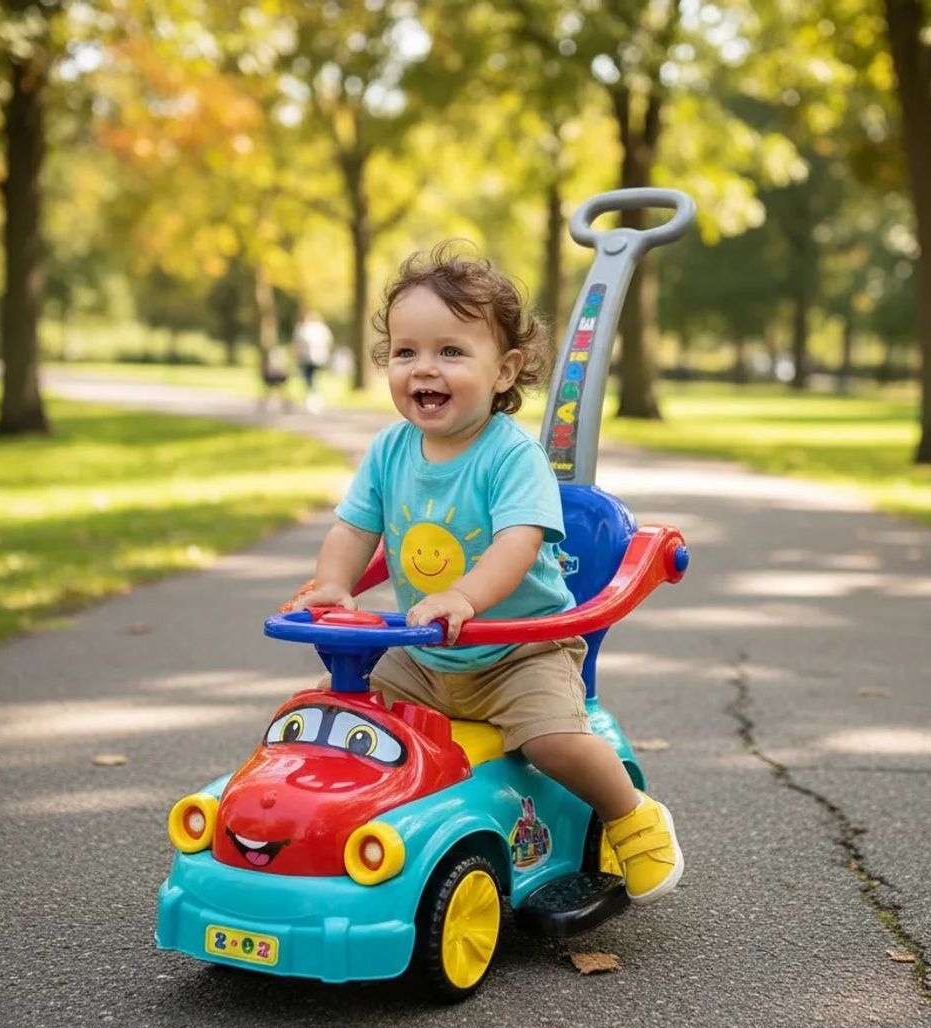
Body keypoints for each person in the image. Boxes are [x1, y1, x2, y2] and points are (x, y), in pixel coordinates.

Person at [289, 243, 683, 904]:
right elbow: (355, 530)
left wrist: (464, 595)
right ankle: (357, 834)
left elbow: (518, 543)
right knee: (347, 716)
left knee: (553, 742)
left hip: (520, 650)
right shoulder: (389, 450)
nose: (425, 369)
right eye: (407, 352)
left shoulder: (512, 457)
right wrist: (333, 584)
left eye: (450, 352)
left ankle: (631, 815)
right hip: (427, 653)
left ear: (504, 371)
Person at [292, 310, 333, 411]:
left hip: (316, 357)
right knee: (310, 377)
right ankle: (314, 397)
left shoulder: (308, 329)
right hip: (309, 357)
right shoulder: (308, 328)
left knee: (310, 377)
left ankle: (314, 397)